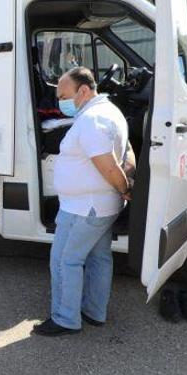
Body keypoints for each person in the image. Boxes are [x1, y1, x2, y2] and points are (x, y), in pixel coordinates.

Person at [33, 67, 135, 337]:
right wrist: (124, 185)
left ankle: (65, 319)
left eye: (64, 95)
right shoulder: (109, 112)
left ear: (84, 91)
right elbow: (128, 153)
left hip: (84, 208)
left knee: (66, 260)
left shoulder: (93, 119)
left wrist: (124, 187)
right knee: (99, 258)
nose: (60, 102)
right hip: (98, 206)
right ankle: (94, 311)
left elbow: (109, 166)